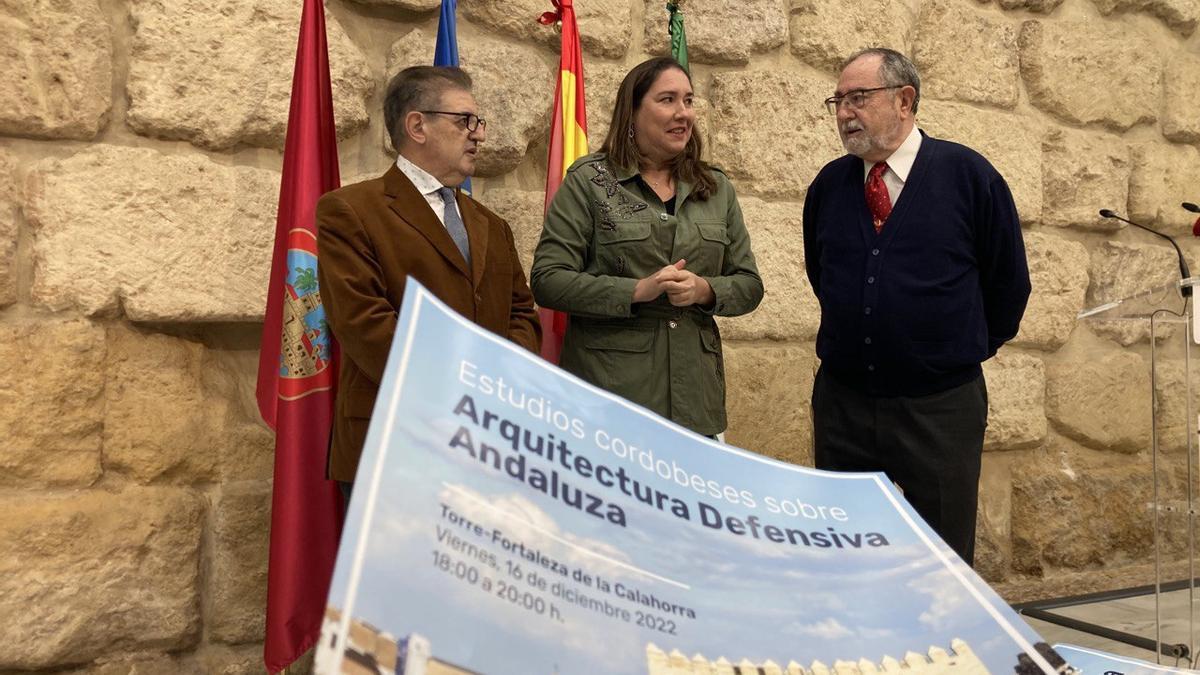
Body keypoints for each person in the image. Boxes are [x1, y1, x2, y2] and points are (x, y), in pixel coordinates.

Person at [802, 48, 1030, 565]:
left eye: (858, 98)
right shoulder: (829, 187)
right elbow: (825, 277)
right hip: (844, 405)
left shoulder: (969, 177)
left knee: (943, 564)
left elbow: (1008, 284)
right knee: (845, 557)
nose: (843, 112)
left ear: (905, 100)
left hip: (940, 407)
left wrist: (945, 352)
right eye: (837, 100)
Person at [317, 66, 541, 497]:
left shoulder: (492, 225)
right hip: (394, 445)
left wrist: (491, 392)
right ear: (417, 125)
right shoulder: (350, 211)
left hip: (485, 449)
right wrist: (463, 390)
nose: (478, 135)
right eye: (464, 121)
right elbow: (365, 324)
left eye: (478, 123)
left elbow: (521, 315)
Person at [531, 57, 763, 438]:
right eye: (667, 100)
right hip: (610, 401)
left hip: (696, 402)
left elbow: (749, 285)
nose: (683, 113)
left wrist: (704, 290)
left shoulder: (717, 188)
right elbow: (548, 280)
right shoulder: (590, 182)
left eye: (688, 101)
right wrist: (637, 290)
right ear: (633, 111)